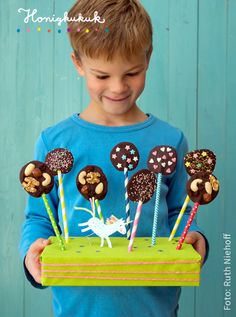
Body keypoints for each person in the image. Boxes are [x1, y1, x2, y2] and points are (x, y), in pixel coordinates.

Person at [19, 1, 208, 316]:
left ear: (148, 58)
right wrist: (31, 252)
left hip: (155, 308)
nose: (118, 87)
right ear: (78, 63)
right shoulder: (55, 143)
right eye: (102, 75)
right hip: (79, 308)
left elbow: (180, 213)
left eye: (132, 72)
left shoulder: (170, 141)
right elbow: (40, 217)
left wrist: (194, 237)